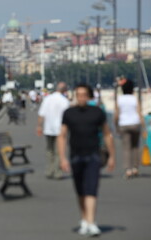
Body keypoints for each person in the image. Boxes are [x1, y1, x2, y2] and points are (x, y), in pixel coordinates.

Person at [57, 83, 115, 237]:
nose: (81, 98)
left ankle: (91, 222)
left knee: (91, 189)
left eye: (83, 95)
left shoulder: (97, 112)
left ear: (89, 96)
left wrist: (112, 156)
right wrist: (62, 158)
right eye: (78, 95)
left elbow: (107, 133)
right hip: (75, 156)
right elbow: (62, 136)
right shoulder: (69, 113)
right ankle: (84, 219)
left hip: (93, 155)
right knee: (80, 191)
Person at [37, 82, 70, 179]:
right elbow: (67, 116)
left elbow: (41, 114)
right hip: (60, 129)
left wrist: (39, 126)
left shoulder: (48, 99)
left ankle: (49, 170)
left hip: (48, 128)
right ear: (65, 90)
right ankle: (57, 172)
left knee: (49, 150)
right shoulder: (64, 101)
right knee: (59, 151)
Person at [114, 79, 144, 179]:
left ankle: (128, 170)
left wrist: (116, 125)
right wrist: (143, 125)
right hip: (135, 123)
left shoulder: (119, 99)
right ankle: (135, 167)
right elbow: (139, 112)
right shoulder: (134, 98)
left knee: (126, 148)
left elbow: (116, 114)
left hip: (124, 124)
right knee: (135, 146)